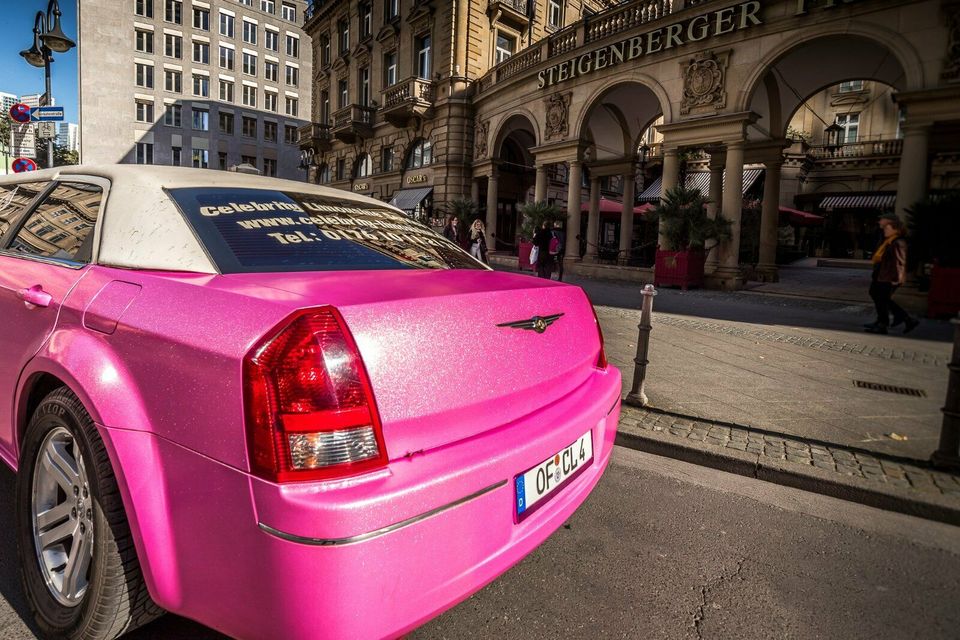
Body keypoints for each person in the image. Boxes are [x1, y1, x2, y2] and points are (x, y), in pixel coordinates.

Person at [864, 214, 919, 335]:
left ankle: (898, 320)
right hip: (882, 274)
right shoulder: (889, 240)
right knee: (877, 295)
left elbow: (900, 262)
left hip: (889, 276)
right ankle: (884, 321)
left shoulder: (898, 242)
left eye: (887, 228)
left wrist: (898, 278)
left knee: (882, 298)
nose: (884, 230)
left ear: (895, 229)